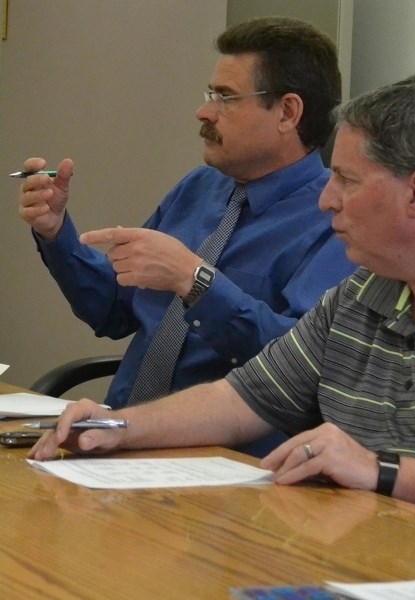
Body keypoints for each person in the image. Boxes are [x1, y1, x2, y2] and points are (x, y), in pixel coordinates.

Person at [30, 73, 415, 571]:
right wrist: (116, 426)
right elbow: (246, 397)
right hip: (387, 553)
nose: (326, 201)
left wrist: (380, 470)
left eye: (346, 181)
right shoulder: (367, 287)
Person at [17, 17, 354, 454]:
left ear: (288, 113)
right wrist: (56, 232)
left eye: (226, 98)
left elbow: (300, 365)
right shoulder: (199, 188)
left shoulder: (335, 219)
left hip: (219, 460)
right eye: (210, 94)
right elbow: (113, 312)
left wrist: (196, 282)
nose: (204, 112)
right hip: (117, 436)